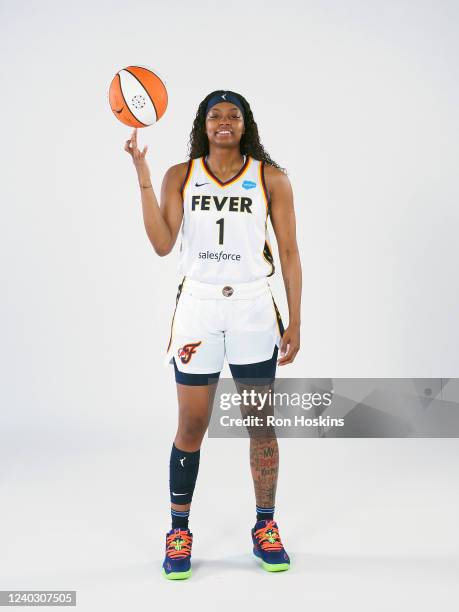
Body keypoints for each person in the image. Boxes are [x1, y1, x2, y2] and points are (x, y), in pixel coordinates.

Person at [124, 90, 302, 579]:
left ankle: (265, 526)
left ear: (246, 126)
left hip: (251, 307)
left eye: (234, 116)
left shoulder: (272, 179)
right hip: (199, 308)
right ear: (203, 125)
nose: (224, 122)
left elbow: (289, 253)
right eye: (215, 115)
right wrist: (142, 175)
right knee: (193, 425)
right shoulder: (179, 175)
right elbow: (163, 243)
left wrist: (297, 319)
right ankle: (178, 530)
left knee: (260, 424)